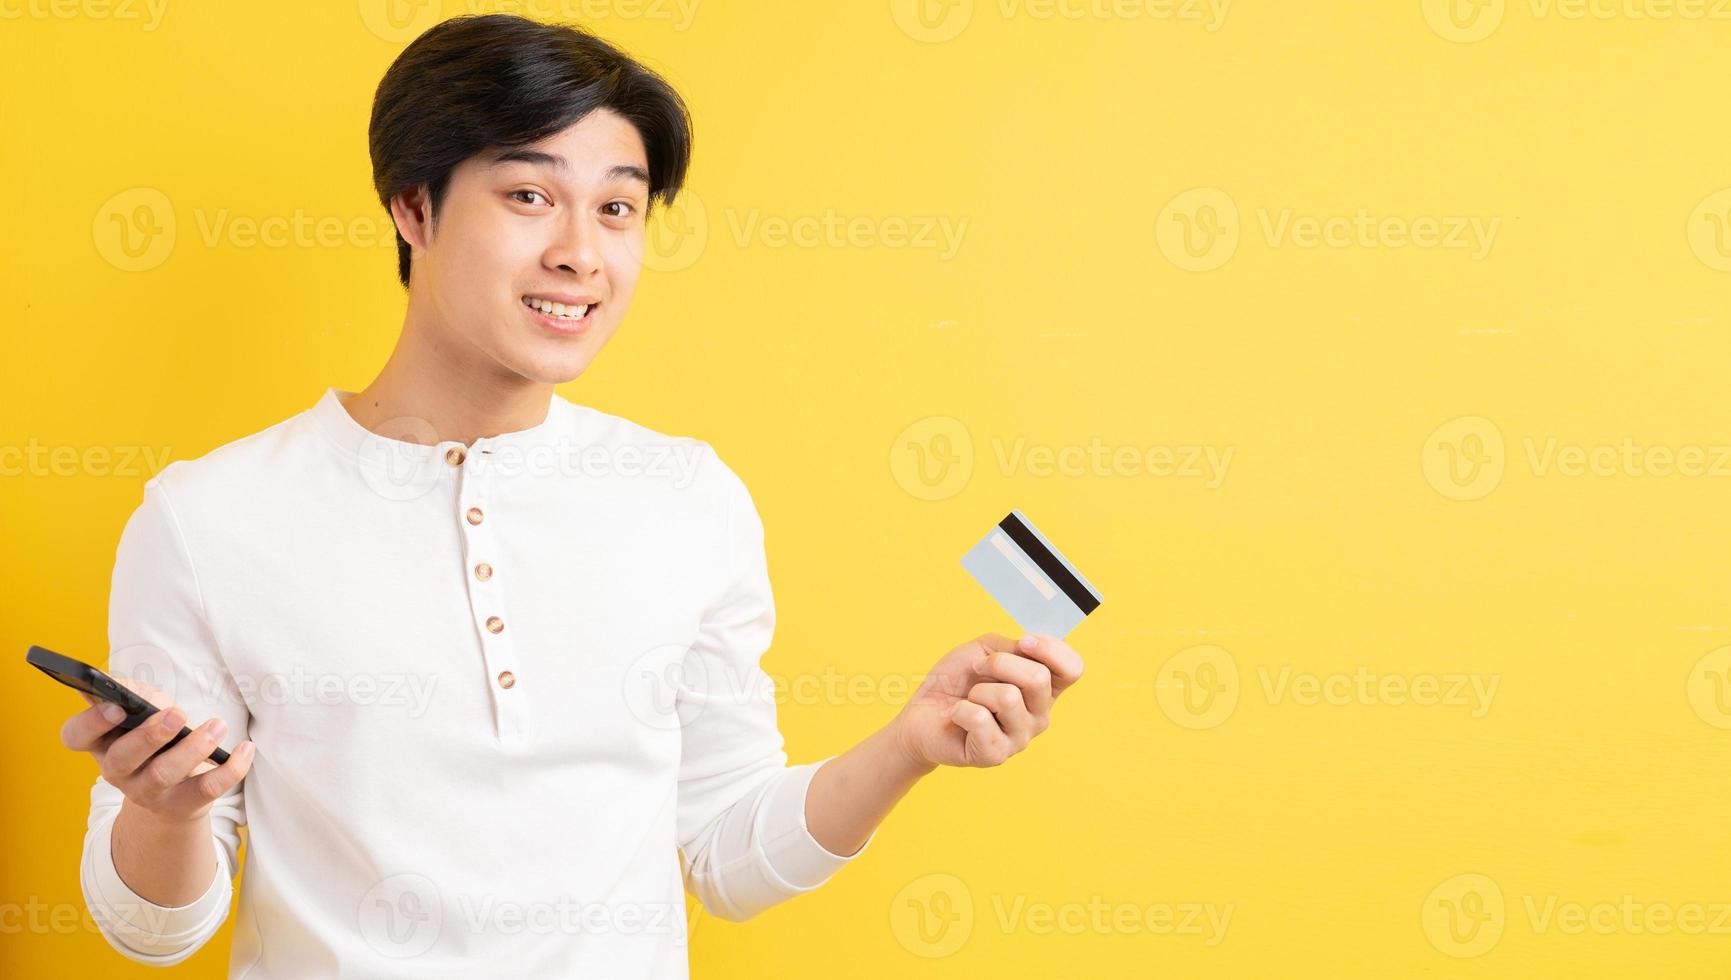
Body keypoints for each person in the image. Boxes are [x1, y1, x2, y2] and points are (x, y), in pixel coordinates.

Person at [58, 14, 1084, 978]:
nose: (580, 254)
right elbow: (152, 928)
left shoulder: (688, 498)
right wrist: (168, 811)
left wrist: (909, 745)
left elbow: (727, 854)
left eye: (617, 208)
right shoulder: (207, 517)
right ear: (413, 206)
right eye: (529, 196)